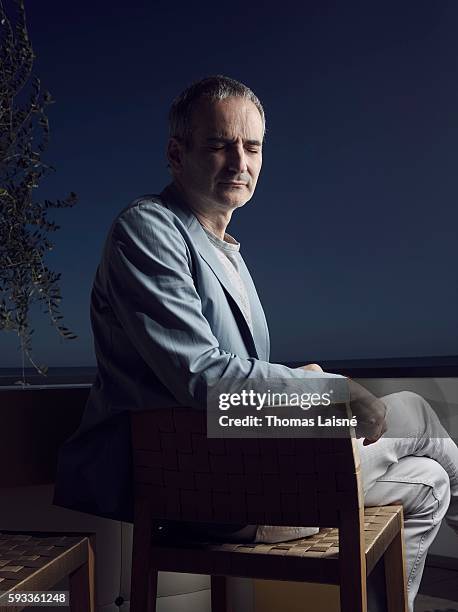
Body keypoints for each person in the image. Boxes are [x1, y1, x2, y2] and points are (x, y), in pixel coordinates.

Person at [53, 75, 457, 612]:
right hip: (199, 488)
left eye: (252, 146)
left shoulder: (228, 253)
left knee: (428, 480)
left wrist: (301, 380)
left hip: (244, 461)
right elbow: (202, 377)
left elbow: (232, 375)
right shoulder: (148, 228)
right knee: (414, 414)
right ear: (177, 154)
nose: (239, 161)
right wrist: (331, 393)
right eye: (220, 144)